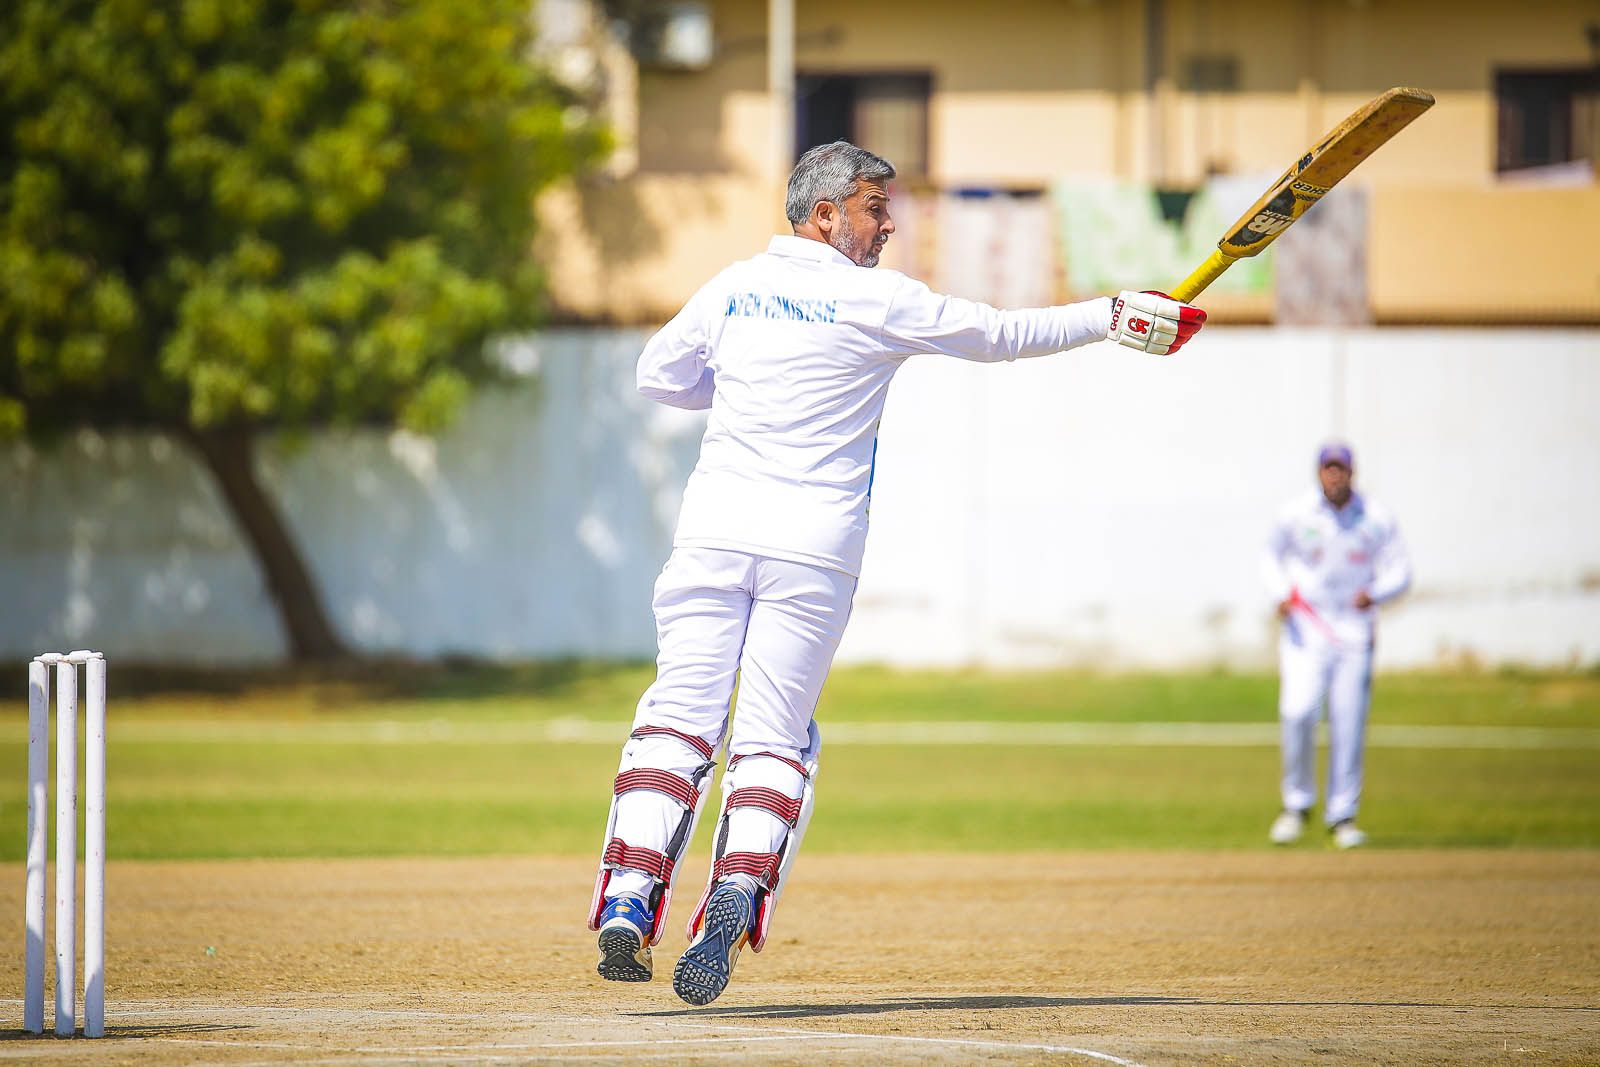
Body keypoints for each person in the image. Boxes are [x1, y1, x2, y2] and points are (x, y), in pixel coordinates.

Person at [586, 140, 1207, 1005]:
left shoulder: (732, 286)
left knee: (678, 718)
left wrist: (748, 388)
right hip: (814, 548)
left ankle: (628, 895)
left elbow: (659, 375)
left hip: (713, 533)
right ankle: (736, 887)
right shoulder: (877, 300)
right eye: (876, 209)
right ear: (825, 214)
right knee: (773, 739)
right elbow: (1000, 335)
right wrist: (1110, 314)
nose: (888, 228)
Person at [1262, 443, 1411, 849]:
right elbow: (1269, 556)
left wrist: (1375, 593)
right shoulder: (1296, 513)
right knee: (1297, 712)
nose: (1334, 475)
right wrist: (1280, 593)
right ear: (1318, 472)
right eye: (1328, 468)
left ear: (1351, 472)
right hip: (1306, 627)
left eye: (1340, 469)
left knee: (1348, 722)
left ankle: (1342, 816)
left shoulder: (1374, 517)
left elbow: (1400, 571)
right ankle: (1296, 806)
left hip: (1353, 630)